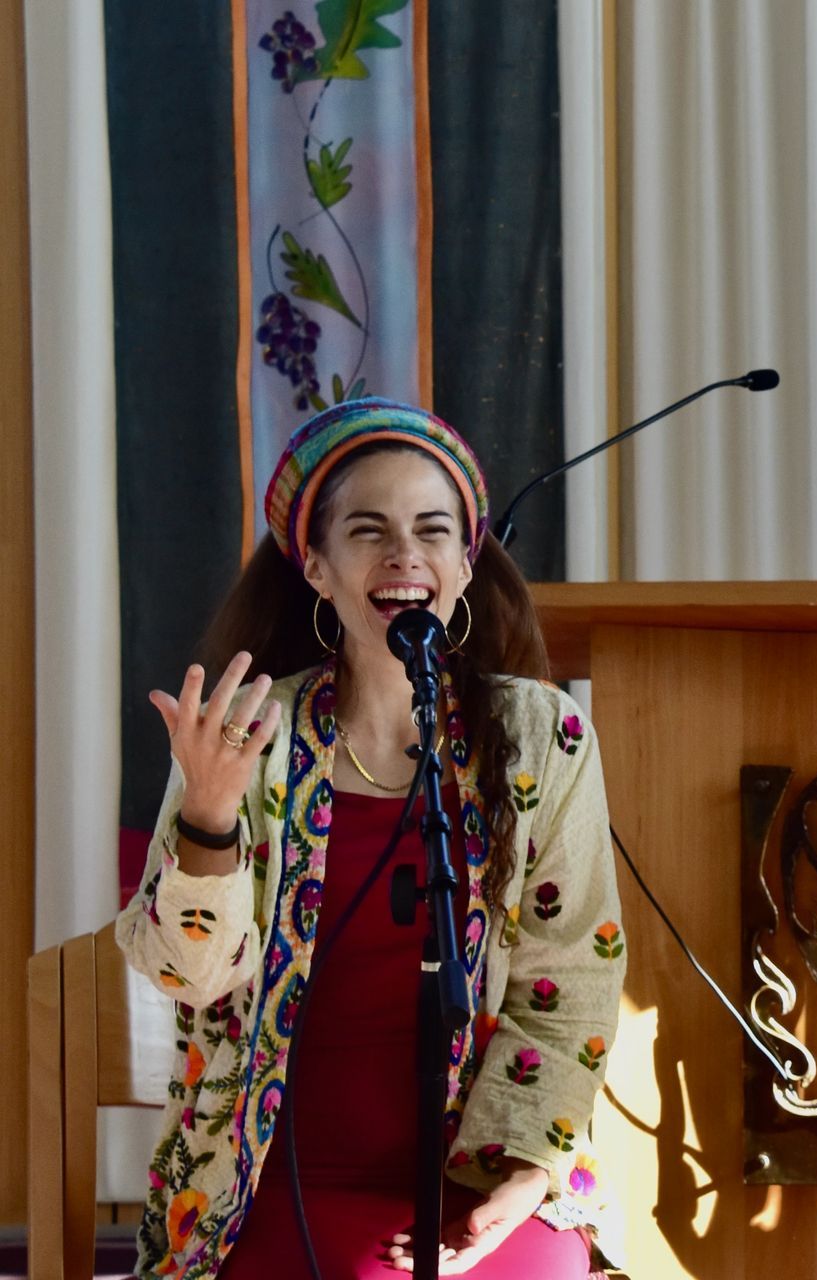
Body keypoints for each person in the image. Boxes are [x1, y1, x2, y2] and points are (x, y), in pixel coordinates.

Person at [116, 399, 626, 1278]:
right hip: (264, 1179)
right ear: (314, 565)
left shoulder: (546, 736)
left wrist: (525, 1176)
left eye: (433, 530)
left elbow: (572, 976)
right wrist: (207, 815)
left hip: (482, 1170)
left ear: (465, 564)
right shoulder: (245, 731)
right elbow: (183, 974)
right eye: (367, 531)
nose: (403, 556)